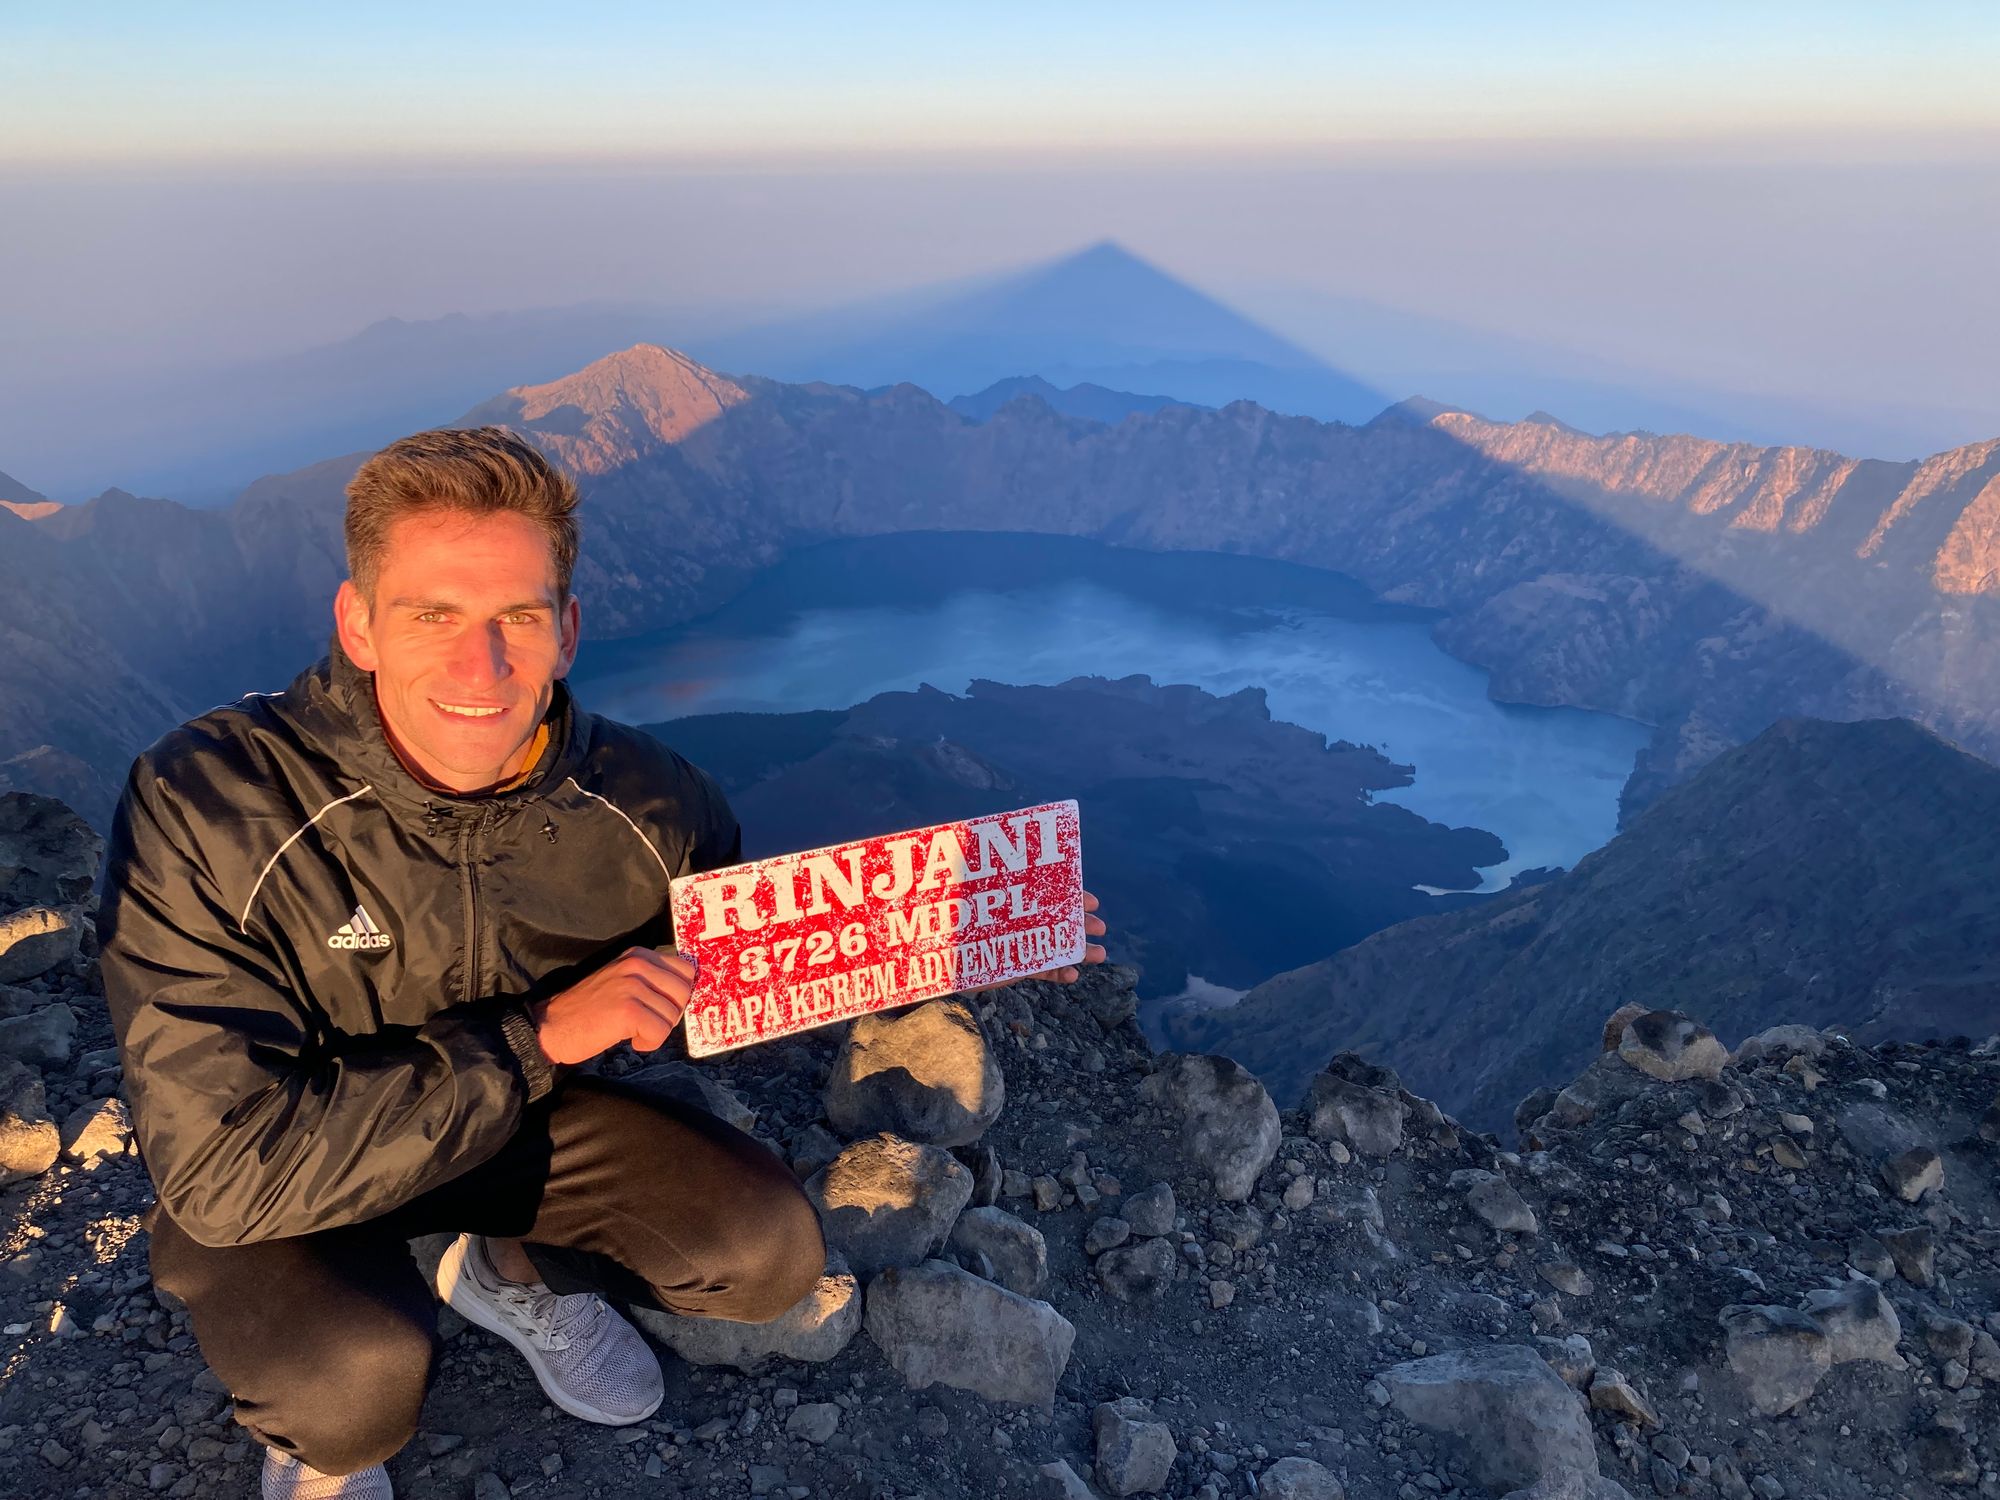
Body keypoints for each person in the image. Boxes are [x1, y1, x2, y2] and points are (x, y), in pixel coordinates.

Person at [97, 427, 1108, 1499]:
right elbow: (217, 1173)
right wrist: (536, 1040)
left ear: (567, 631)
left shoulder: (652, 804)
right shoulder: (211, 803)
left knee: (763, 1252)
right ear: (358, 623)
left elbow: (763, 959)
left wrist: (965, 934)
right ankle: (317, 1444)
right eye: (432, 615)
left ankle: (503, 1272)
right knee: (351, 1390)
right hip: (284, 1163)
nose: (481, 666)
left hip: (507, 1130)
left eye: (518, 618)